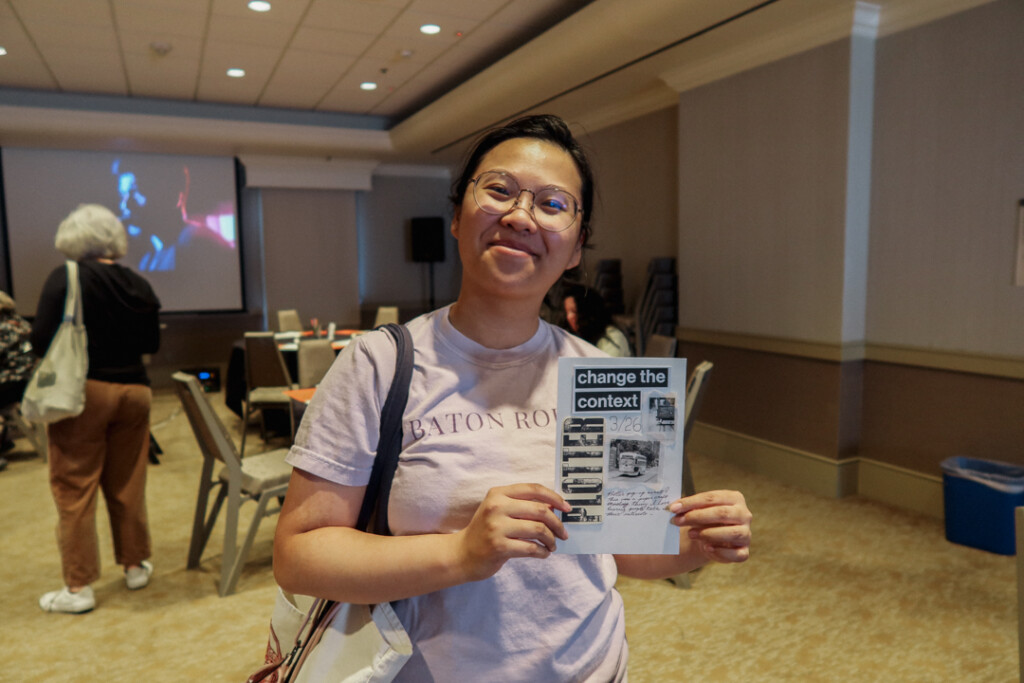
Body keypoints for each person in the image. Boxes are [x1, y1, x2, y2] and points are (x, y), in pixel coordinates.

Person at [273, 115, 752, 680]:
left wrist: (694, 545)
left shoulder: (604, 375)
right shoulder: (378, 364)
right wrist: (461, 553)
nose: (521, 216)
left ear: (575, 247)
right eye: (499, 190)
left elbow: (620, 550)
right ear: (457, 216)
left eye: (553, 205)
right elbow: (299, 556)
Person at [32, 204, 162, 614]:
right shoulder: (138, 283)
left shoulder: (66, 277)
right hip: (135, 392)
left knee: (74, 487)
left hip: (84, 393)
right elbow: (152, 345)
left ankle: (78, 587)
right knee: (128, 482)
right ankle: (136, 565)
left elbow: (39, 341)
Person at [0, 291, 36, 468]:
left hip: (10, 384)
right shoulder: (22, 323)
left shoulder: (2, 327)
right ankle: (5, 441)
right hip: (26, 383)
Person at [560, 281, 632, 357]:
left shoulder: (613, 337)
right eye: (567, 312)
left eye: (573, 311)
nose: (569, 317)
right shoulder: (571, 338)